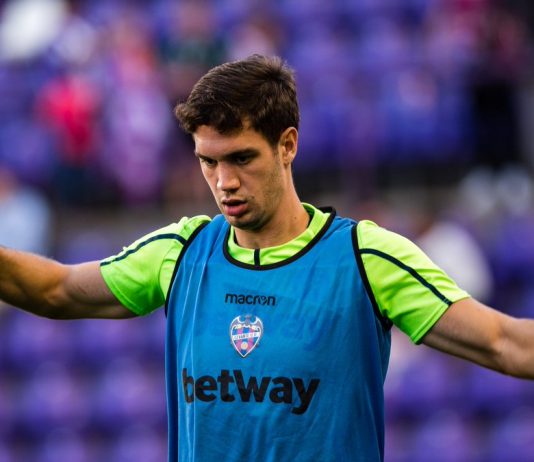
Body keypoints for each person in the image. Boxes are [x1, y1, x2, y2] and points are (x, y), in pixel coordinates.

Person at [1, 54, 534, 462]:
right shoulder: (182, 252)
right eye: (208, 162)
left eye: (241, 158)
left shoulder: (364, 257)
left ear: (287, 145)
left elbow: (504, 343)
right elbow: (54, 290)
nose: (224, 182)